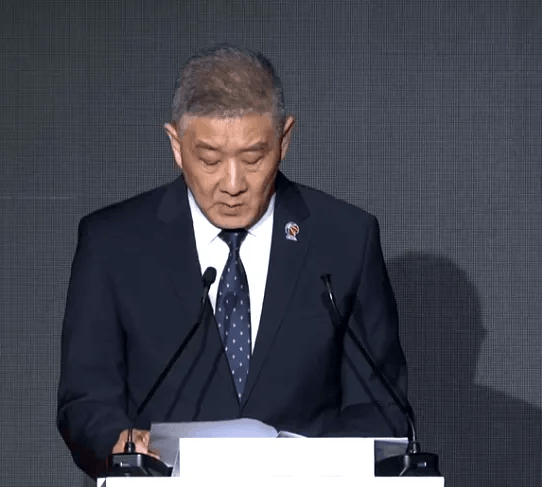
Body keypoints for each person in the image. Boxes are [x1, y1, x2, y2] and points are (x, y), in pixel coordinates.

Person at [57, 44, 410, 479]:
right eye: (209, 159)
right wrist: (118, 440)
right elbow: (86, 401)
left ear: (284, 140)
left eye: (253, 158)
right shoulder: (113, 242)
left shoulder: (345, 239)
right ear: (176, 145)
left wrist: (308, 469)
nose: (232, 183)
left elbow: (379, 408)